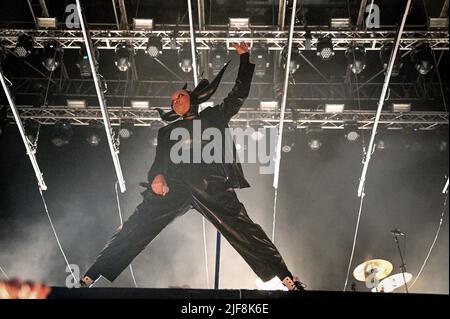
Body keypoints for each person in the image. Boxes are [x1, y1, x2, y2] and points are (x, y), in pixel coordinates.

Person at [80, 42, 305, 291]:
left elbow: (239, 94)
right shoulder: (167, 132)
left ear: (194, 99)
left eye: (180, 96)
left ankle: (287, 279)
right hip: (174, 187)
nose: (175, 100)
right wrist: (157, 176)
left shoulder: (213, 117)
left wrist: (244, 58)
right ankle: (90, 276)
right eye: (173, 99)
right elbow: (158, 164)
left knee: (244, 229)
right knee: (136, 225)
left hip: (210, 184)